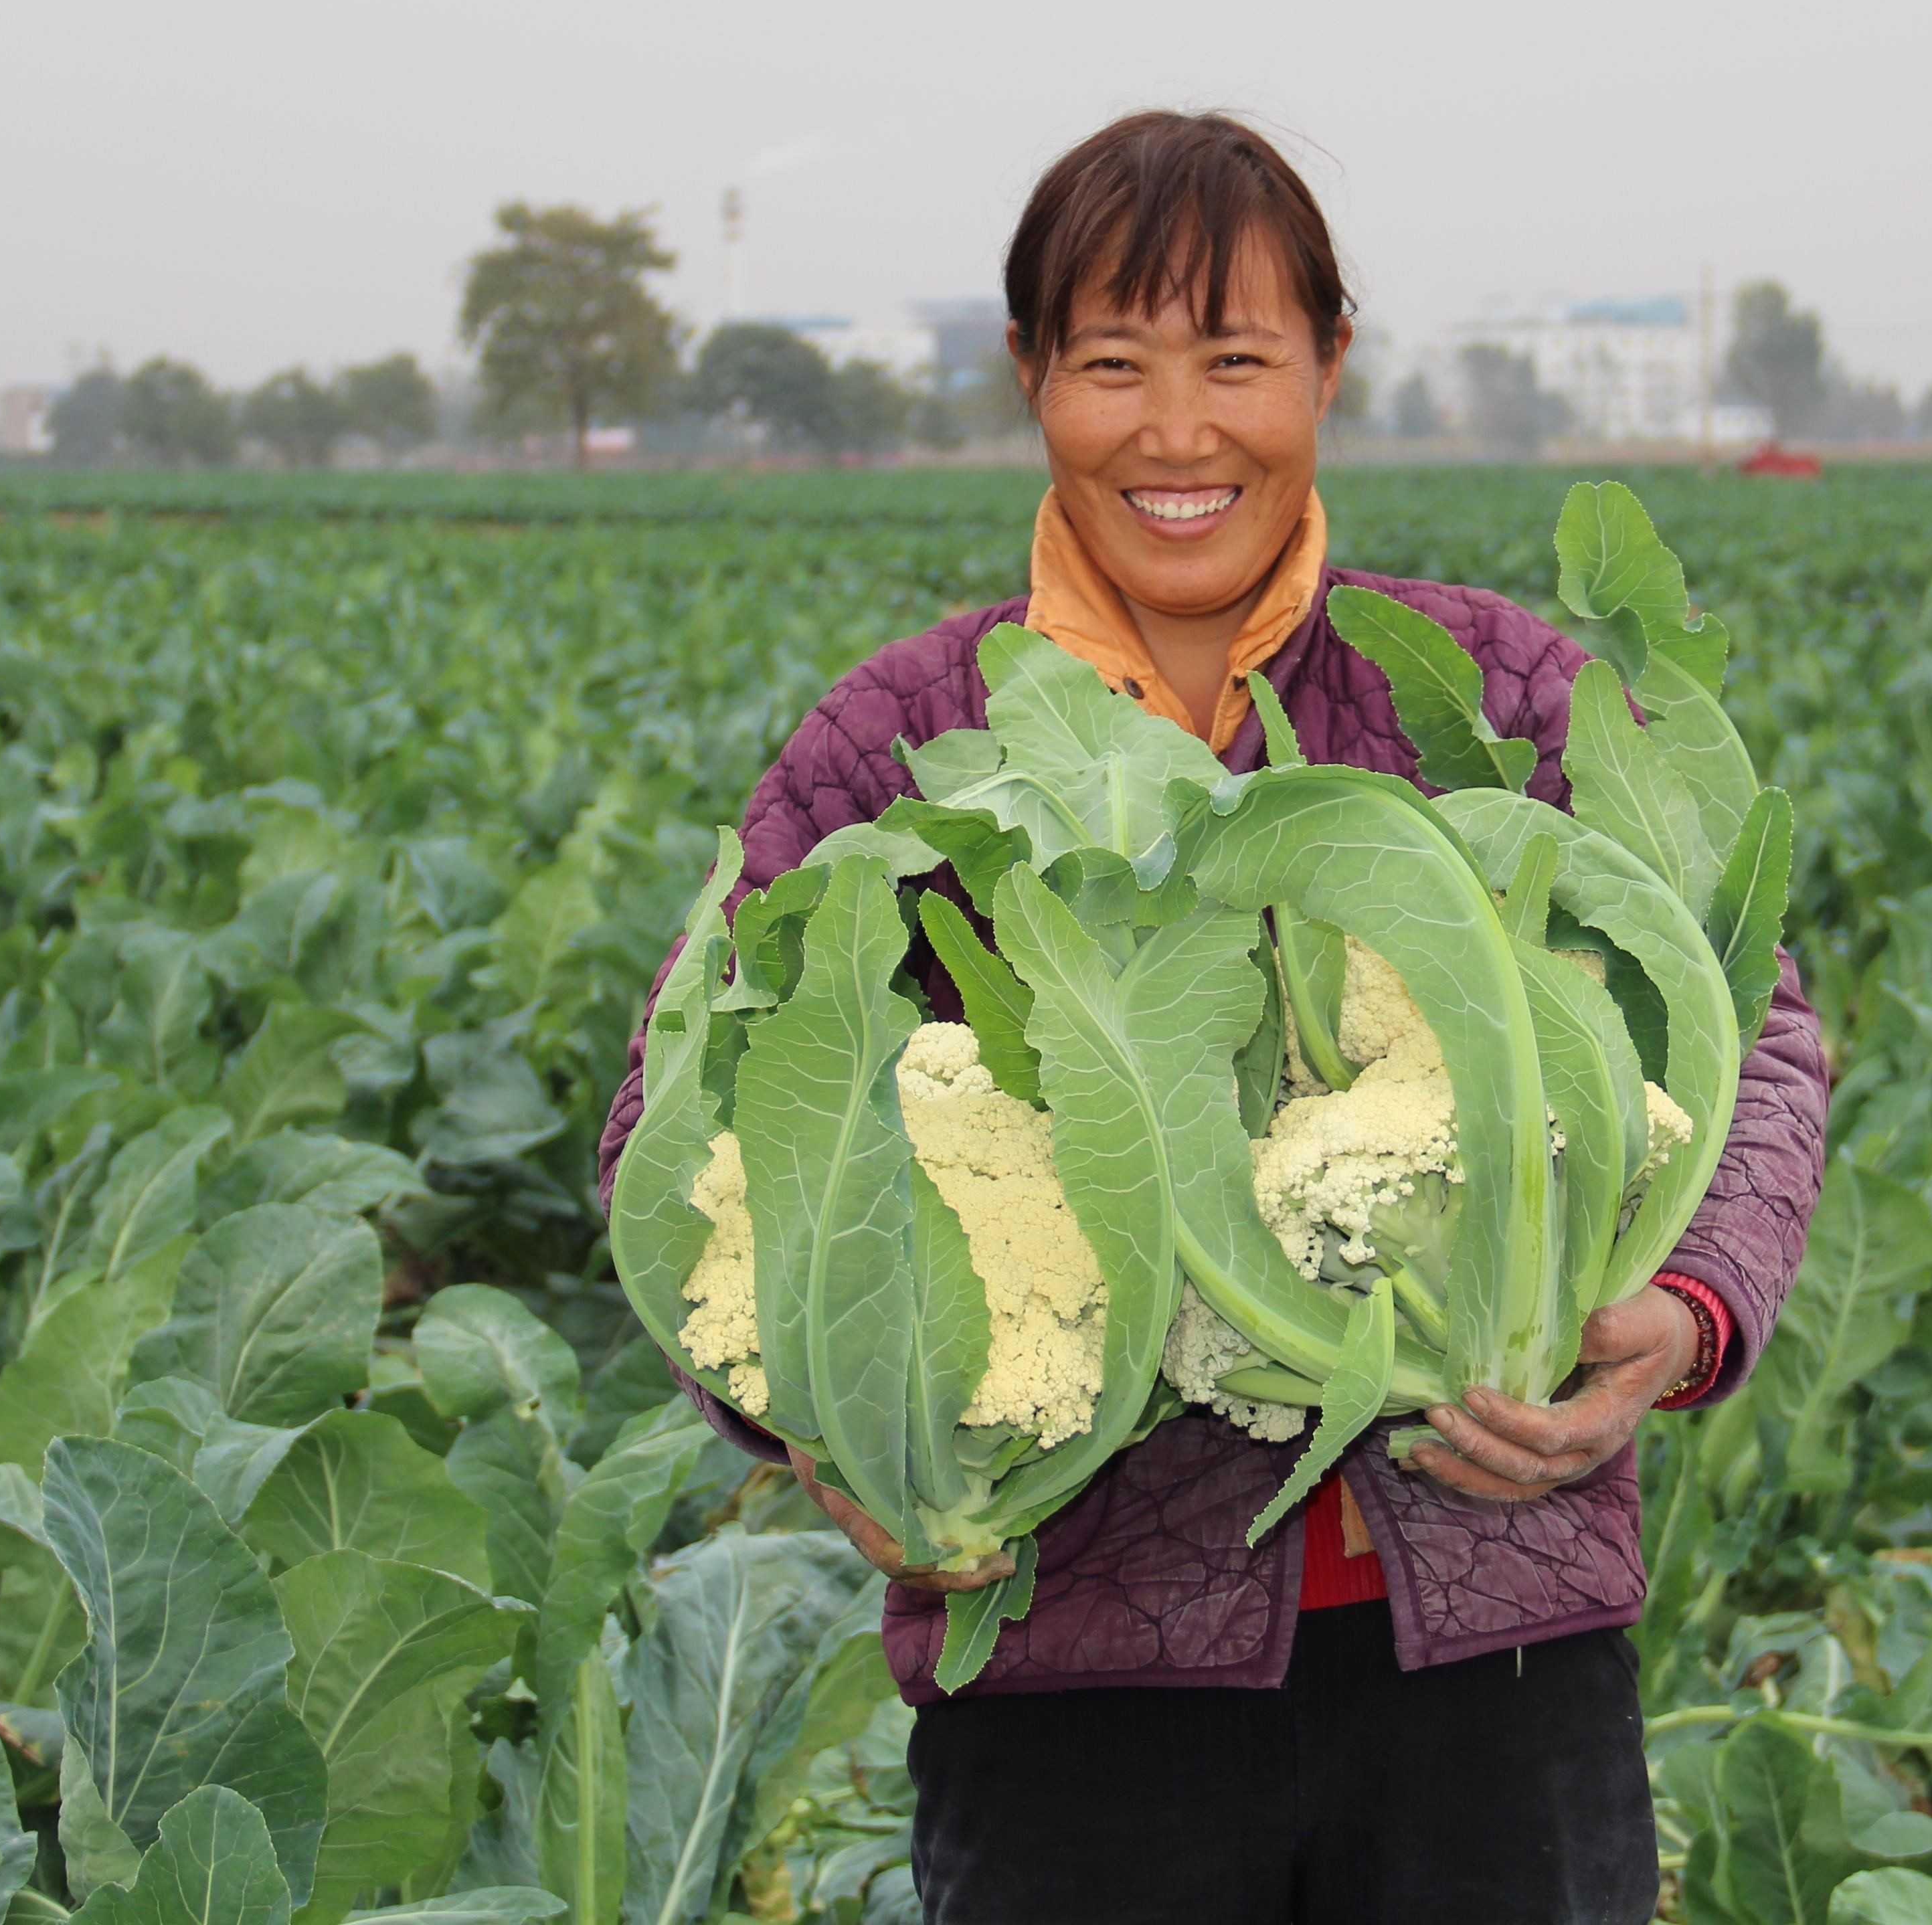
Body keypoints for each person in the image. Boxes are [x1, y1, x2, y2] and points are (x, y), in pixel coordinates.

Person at [596, 110, 1829, 1925]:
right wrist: (819, 1417)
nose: (1178, 432)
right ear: (1031, 381)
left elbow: (1755, 1025)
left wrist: (1685, 1309)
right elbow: (680, 1114)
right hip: (1077, 1683)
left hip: (1493, 1664)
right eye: (1114, 365)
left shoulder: (1490, 690)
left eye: (1236, 360)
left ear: (1329, 364)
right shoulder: (902, 734)